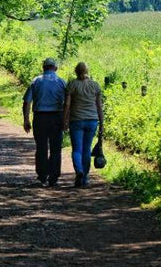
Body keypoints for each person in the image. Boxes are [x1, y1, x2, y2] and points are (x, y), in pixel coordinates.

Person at [22, 57, 66, 187]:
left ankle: (42, 175)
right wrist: (66, 119)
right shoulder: (61, 82)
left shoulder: (36, 81)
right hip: (56, 117)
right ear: (55, 68)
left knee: (41, 147)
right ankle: (54, 176)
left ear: (43, 68)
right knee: (55, 148)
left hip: (40, 118)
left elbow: (27, 101)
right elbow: (68, 102)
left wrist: (26, 119)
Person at [62, 62, 104, 188]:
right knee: (87, 149)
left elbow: (67, 105)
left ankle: (79, 171)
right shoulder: (95, 85)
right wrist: (101, 122)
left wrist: (64, 120)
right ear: (87, 71)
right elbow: (99, 106)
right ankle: (85, 178)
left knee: (77, 149)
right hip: (92, 120)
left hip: (76, 120)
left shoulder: (72, 85)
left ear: (76, 71)